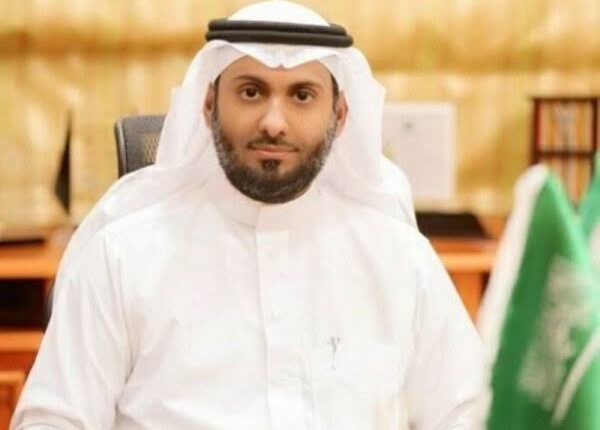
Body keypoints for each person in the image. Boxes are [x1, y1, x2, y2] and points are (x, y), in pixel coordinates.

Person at [11, 1, 483, 429]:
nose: (274, 122)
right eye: (251, 92)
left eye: (302, 95)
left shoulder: (398, 257)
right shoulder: (124, 256)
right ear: (209, 105)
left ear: (340, 116)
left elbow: (467, 413)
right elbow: (53, 421)